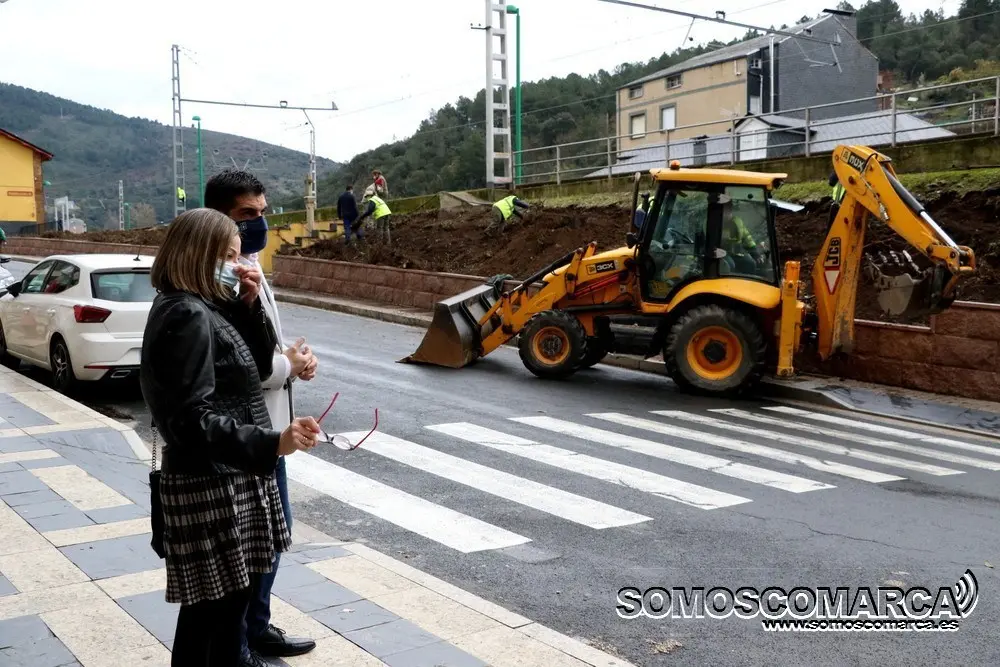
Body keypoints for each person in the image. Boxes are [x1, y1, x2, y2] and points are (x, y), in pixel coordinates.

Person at [140, 208, 321, 667]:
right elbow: (189, 420)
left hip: (225, 477)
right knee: (213, 617)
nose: (236, 265)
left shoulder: (204, 306)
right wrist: (272, 443)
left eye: (238, 257)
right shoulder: (185, 312)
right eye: (226, 256)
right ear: (196, 252)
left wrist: (248, 303)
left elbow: (258, 368)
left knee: (218, 614)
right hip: (211, 483)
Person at [204, 169, 319, 666]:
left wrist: (294, 359)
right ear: (218, 219)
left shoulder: (248, 265)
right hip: (247, 437)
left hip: (271, 431)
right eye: (247, 215)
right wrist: (285, 366)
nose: (258, 223)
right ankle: (241, 642)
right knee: (255, 544)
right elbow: (233, 365)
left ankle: (254, 628)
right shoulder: (215, 277)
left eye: (262, 212)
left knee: (271, 536)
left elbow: (261, 342)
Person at [719, 194, 764, 274]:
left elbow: (747, 238)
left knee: (750, 263)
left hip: (737, 253)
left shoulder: (738, 221)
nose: (727, 213)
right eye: (725, 210)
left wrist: (754, 252)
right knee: (729, 265)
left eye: (729, 210)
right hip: (721, 253)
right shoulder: (714, 223)